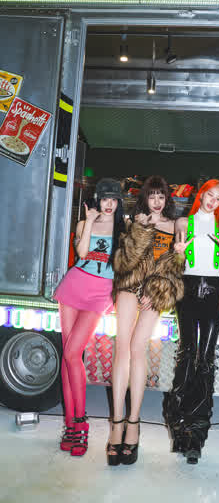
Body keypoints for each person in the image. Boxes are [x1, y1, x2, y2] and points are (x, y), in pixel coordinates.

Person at [108, 175, 184, 466]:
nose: (156, 201)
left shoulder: (176, 226)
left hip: (155, 292)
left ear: (167, 199)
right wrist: (139, 229)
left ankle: (134, 422)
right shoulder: (134, 222)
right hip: (129, 285)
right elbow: (123, 263)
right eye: (152, 196)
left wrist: (158, 290)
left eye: (161, 196)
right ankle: (117, 423)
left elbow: (176, 268)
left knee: (138, 348)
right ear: (144, 198)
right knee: (122, 348)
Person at [164, 179, 219, 464]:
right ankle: (179, 427)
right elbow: (178, 250)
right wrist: (178, 251)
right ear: (201, 194)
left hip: (213, 288)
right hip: (188, 287)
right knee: (187, 354)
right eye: (210, 195)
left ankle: (197, 434)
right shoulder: (183, 222)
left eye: (218, 199)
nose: (213, 202)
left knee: (206, 358)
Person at [53, 178, 125, 456]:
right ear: (97, 199)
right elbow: (82, 253)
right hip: (74, 285)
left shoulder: (123, 228)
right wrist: (89, 222)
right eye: (105, 198)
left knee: (73, 352)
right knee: (68, 357)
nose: (109, 204)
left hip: (100, 293)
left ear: (118, 203)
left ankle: (81, 423)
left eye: (114, 199)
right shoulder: (86, 223)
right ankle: (71, 425)